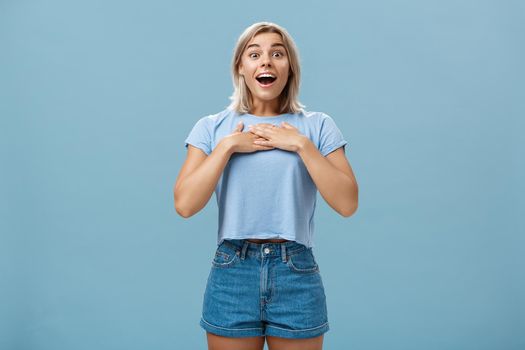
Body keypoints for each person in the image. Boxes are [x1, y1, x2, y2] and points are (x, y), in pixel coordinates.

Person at [174, 21, 358, 350]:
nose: (266, 61)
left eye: (277, 53)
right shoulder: (212, 128)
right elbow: (185, 205)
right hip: (233, 271)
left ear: (290, 68)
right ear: (240, 68)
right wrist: (227, 147)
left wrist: (302, 145)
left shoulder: (317, 126)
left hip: (295, 271)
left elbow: (347, 203)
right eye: (254, 54)